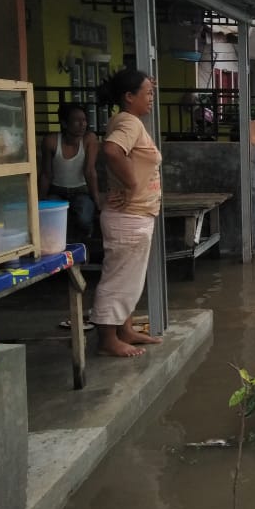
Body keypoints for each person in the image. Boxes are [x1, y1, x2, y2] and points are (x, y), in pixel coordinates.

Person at [92, 69, 163, 357]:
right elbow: (111, 151)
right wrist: (131, 182)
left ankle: (125, 329)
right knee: (119, 278)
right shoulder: (129, 123)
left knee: (130, 278)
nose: (151, 98)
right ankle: (108, 338)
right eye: (146, 93)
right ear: (128, 97)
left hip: (135, 215)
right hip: (128, 217)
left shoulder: (127, 121)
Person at [38, 102, 100, 242]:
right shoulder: (51, 141)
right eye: (77, 121)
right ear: (65, 124)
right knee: (50, 221)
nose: (82, 124)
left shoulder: (89, 139)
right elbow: (46, 174)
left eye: (84, 120)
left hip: (81, 191)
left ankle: (85, 241)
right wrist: (40, 199)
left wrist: (97, 200)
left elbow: (90, 170)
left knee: (84, 218)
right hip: (57, 191)